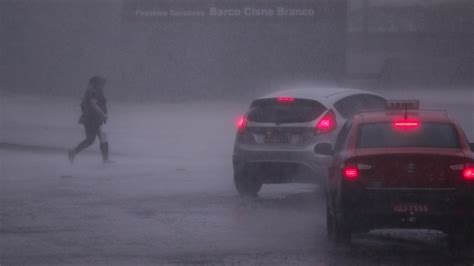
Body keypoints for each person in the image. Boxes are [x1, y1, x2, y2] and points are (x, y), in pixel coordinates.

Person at [68, 76, 111, 163]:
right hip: (93, 119)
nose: (103, 85)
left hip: (94, 119)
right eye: (101, 83)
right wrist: (103, 115)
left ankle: (74, 152)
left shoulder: (93, 91)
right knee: (96, 139)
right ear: (96, 83)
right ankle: (105, 159)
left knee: (94, 139)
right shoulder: (93, 91)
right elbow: (93, 104)